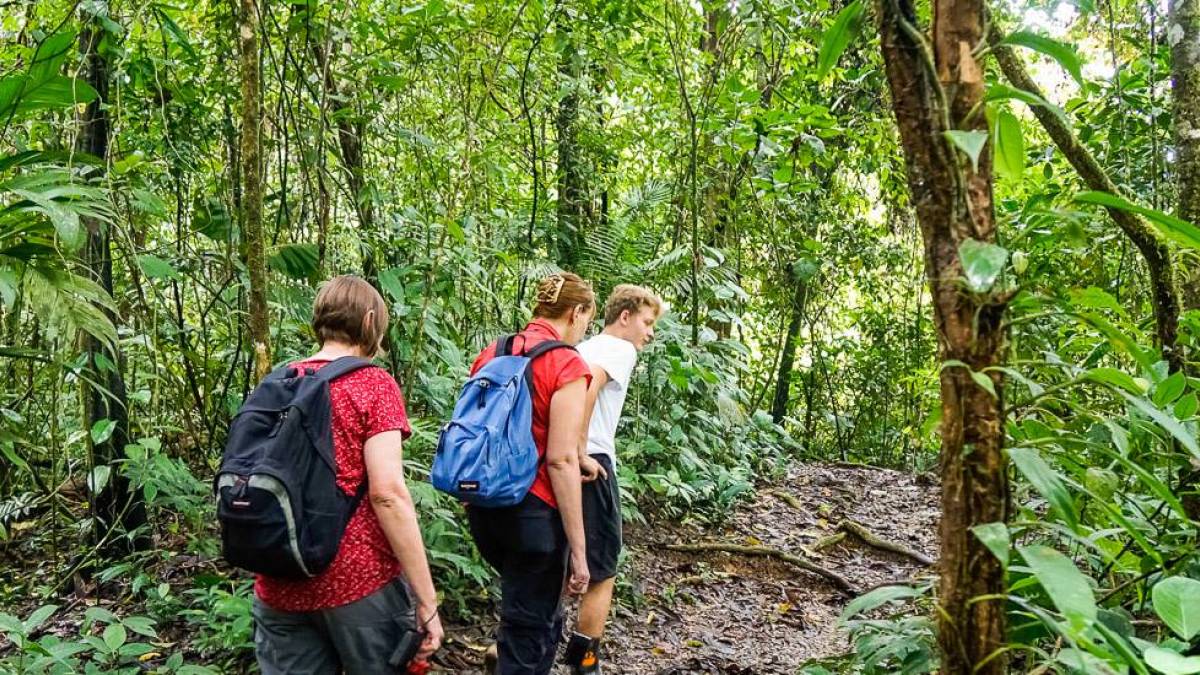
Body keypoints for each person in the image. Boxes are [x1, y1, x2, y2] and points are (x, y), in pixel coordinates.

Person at [252, 275, 443, 674]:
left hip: (279, 576)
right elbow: (387, 492)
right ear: (371, 321)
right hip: (358, 581)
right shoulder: (373, 384)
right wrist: (426, 600)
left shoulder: (279, 381)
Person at [468, 272, 595, 674]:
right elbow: (560, 460)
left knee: (536, 620)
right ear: (576, 312)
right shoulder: (566, 363)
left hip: (485, 508)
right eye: (586, 319)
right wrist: (579, 550)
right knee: (528, 633)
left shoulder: (493, 352)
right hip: (534, 517)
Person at [563, 285, 663, 674]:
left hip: (558, 460)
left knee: (562, 564)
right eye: (647, 322)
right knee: (602, 571)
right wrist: (581, 449)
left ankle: (510, 651)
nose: (649, 333)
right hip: (592, 462)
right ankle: (585, 663)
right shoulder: (618, 349)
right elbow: (589, 386)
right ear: (625, 317)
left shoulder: (582, 347)